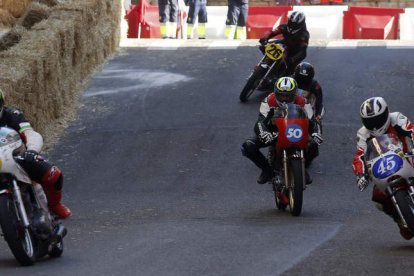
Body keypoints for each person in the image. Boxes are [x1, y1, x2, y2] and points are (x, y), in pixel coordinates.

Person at [0, 88, 71, 219]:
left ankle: (54, 205)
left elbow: (30, 133)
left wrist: (31, 150)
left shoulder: (13, 115)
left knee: (53, 174)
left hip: (17, 159)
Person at [241, 77, 323, 185]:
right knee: (248, 146)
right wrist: (263, 133)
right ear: (276, 93)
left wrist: (316, 133)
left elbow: (312, 122)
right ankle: (266, 170)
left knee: (313, 145)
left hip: (294, 130)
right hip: (274, 132)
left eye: (288, 95)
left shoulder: (304, 102)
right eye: (281, 95)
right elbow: (260, 122)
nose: (284, 98)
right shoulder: (268, 101)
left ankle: (302, 168)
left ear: (294, 94)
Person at [353, 97, 414, 240]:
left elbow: (412, 131)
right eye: (370, 122)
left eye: (377, 120)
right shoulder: (363, 133)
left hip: (406, 157)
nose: (374, 126)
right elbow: (359, 156)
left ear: (386, 113)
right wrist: (360, 174)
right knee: (378, 199)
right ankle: (400, 219)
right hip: (384, 168)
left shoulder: (397, 118)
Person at [259, 11, 309, 77]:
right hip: (284, 43)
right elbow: (272, 32)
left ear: (300, 23)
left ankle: (280, 77)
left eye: (294, 23)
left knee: (290, 69)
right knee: (266, 46)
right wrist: (264, 38)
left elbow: (303, 50)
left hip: (295, 52)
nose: (292, 24)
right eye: (291, 21)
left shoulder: (304, 34)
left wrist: (293, 59)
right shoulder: (284, 27)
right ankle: (261, 66)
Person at [293, 62, 325, 127]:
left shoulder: (315, 85)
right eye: (300, 78)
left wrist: (318, 116)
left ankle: (316, 133)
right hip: (288, 111)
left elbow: (319, 103)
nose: (302, 82)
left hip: (307, 114)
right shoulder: (289, 81)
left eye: (305, 80)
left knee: (316, 125)